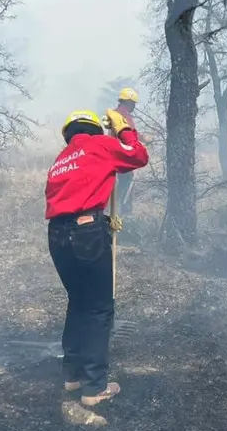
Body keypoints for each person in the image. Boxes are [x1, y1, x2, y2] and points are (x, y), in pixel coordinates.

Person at [45, 108, 149, 406]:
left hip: (57, 235)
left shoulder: (61, 159)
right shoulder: (100, 145)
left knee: (78, 303)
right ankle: (94, 388)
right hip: (87, 232)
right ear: (95, 130)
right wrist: (125, 130)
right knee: (100, 309)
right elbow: (138, 156)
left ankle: (72, 375)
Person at [108, 87, 142, 216]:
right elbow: (129, 136)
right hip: (124, 156)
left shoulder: (113, 114)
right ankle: (124, 215)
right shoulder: (124, 116)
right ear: (128, 102)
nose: (134, 106)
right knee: (126, 185)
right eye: (133, 103)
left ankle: (114, 210)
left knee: (117, 185)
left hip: (114, 156)